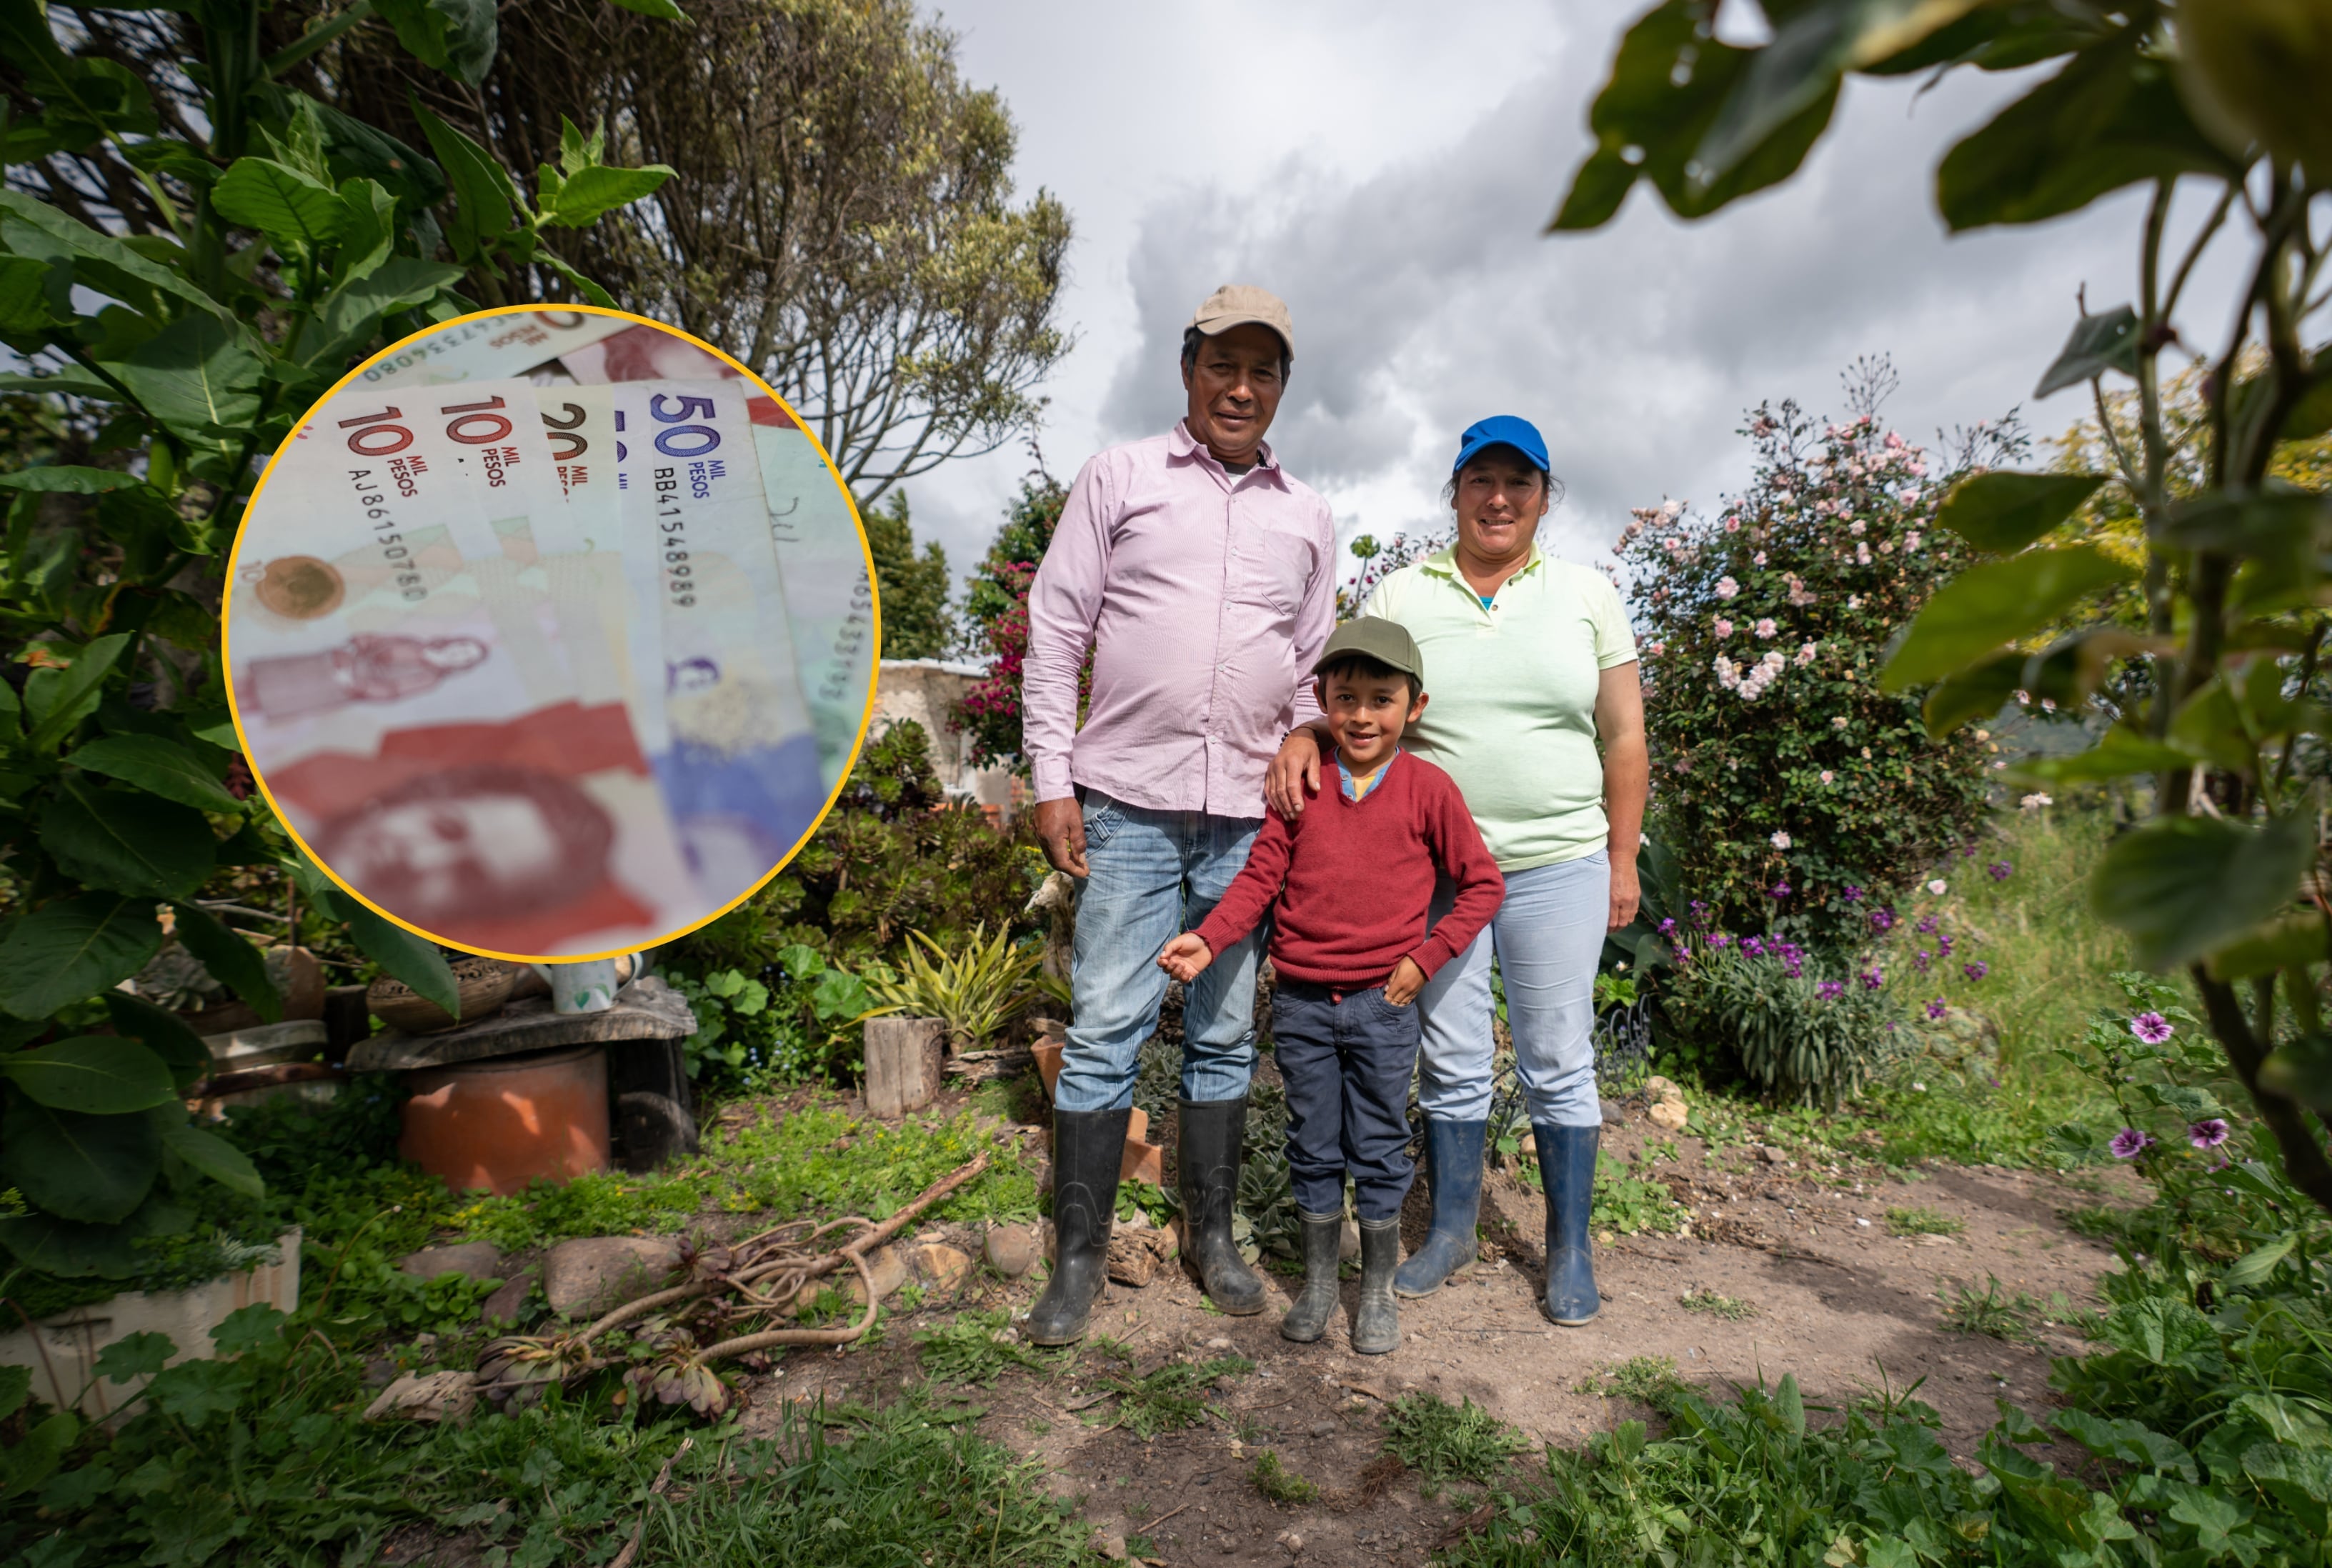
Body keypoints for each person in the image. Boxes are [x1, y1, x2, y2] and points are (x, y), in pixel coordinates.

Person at [1267, 415, 1647, 1327]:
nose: (1500, 497)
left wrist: (1623, 855)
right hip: (1436, 871)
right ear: (1456, 491)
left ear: (1544, 497)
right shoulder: (1403, 590)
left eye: (1521, 481)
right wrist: (1302, 731)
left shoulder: (1587, 593)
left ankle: (1569, 1249)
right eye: (1482, 479)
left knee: (1558, 1055)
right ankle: (1452, 1230)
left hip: (1561, 860)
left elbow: (1624, 733)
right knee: (1454, 1054)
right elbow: (1357, 691)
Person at [1020, 285, 1337, 1344]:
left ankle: (1213, 1238)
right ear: (1190, 369)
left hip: (1250, 817)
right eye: (1223, 365)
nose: (1241, 387)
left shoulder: (1308, 515)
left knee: (1224, 1035)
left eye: (1263, 370)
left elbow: (1310, 663)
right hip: (1127, 805)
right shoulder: (1120, 476)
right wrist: (1050, 777)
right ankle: (1078, 1258)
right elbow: (1058, 628)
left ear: (1282, 386)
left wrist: (1303, 732)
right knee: (1107, 1023)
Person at [1160, 619, 1503, 1354]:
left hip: (1385, 1003)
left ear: (1415, 706)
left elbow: (1481, 885)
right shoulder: (1304, 786)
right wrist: (1211, 936)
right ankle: (1320, 1282)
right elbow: (1260, 878)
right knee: (1312, 1143)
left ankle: (1375, 1290)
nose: (1361, 714)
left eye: (1382, 698)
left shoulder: (1429, 790)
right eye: (1345, 697)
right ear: (1321, 699)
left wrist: (1424, 959)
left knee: (1379, 1143)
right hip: (1305, 1004)